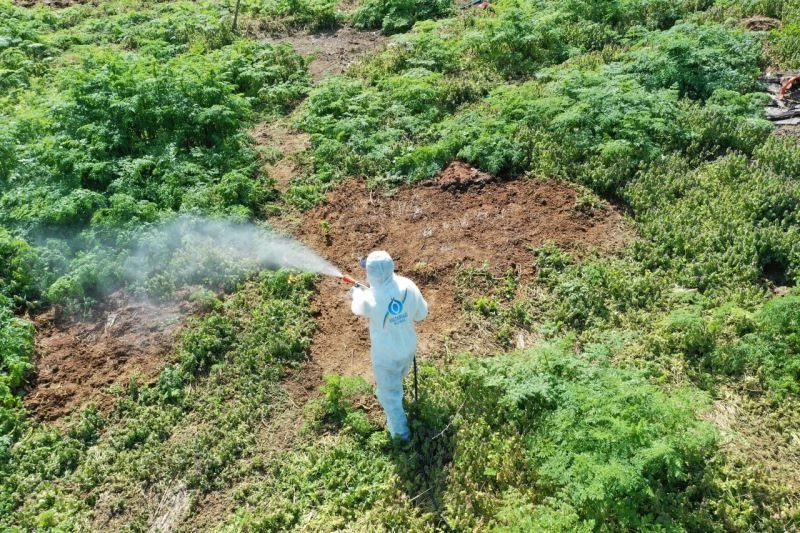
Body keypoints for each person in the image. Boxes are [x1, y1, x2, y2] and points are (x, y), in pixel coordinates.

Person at [350, 251, 428, 441]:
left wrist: (356, 293)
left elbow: (356, 308)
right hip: (408, 348)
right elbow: (422, 314)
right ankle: (397, 392)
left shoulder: (368, 299)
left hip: (386, 357)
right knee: (398, 377)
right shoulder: (408, 285)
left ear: (371, 274)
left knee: (389, 396)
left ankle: (402, 440)